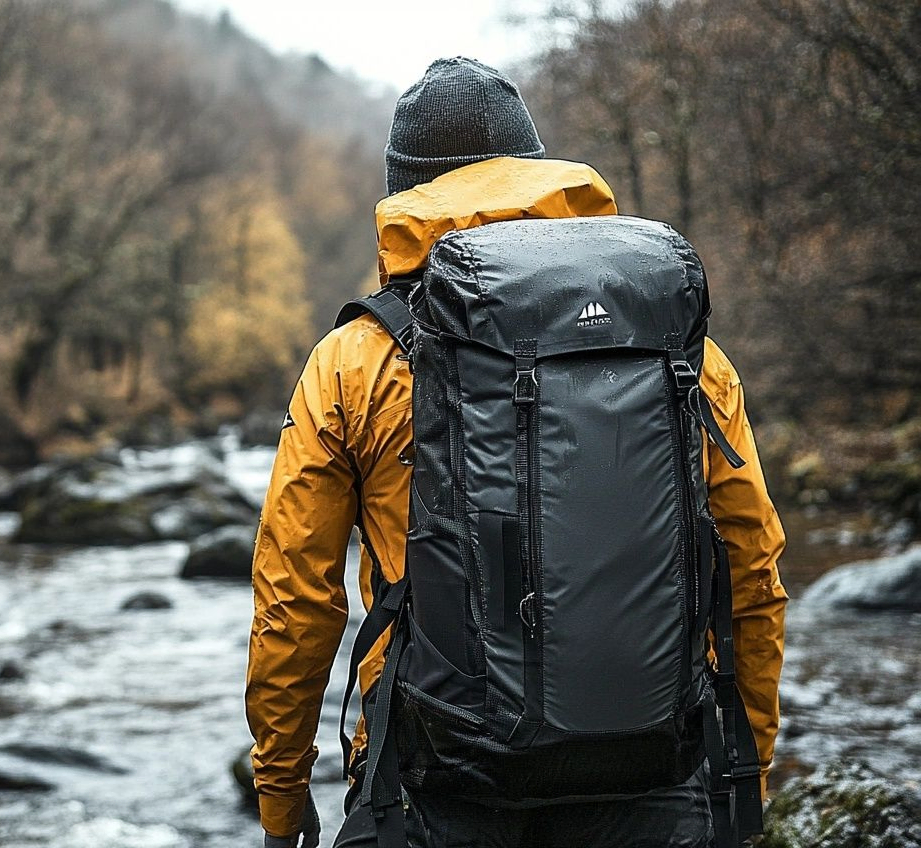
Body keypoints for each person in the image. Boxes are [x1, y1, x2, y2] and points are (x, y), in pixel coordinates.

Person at [245, 57, 788, 848]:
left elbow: (295, 598)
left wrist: (280, 797)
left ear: (404, 192)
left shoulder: (354, 360)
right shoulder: (674, 345)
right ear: (541, 173)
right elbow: (751, 567)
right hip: (657, 773)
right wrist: (745, 768)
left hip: (435, 779)